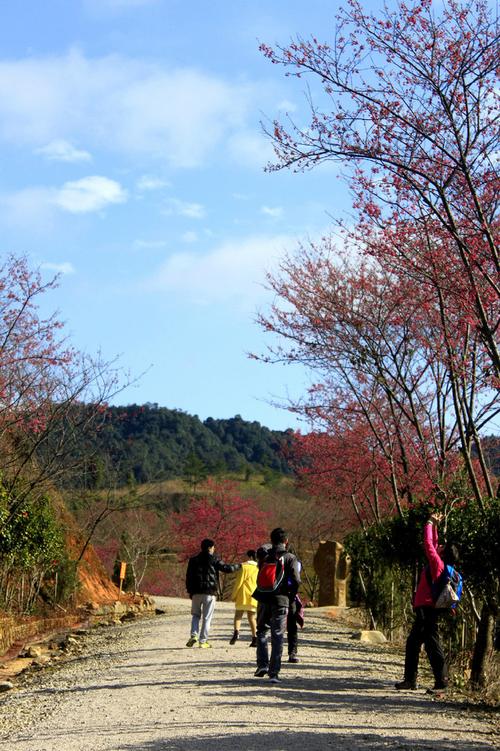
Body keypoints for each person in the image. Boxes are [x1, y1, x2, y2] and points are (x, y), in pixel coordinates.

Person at [395, 511, 459, 692]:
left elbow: (429, 544)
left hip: (427, 609)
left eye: (442, 548)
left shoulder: (437, 564)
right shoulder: (441, 564)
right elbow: (435, 544)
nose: (439, 547)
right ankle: (410, 680)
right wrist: (436, 525)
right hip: (427, 608)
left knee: (432, 643)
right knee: (414, 643)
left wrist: (429, 523)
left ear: (443, 554)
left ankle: (442, 682)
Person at [253, 528, 301, 684]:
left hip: (263, 598)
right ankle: (274, 673)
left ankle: (262, 665)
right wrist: (290, 595)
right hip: (281, 600)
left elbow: (260, 577)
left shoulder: (265, 557)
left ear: (271, 540)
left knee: (261, 631)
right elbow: (295, 580)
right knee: (278, 635)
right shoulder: (290, 558)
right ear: (286, 541)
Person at [185, 538, 241, 648]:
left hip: (196, 592)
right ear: (210, 548)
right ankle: (203, 641)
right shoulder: (214, 559)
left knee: (195, 615)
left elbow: (188, 577)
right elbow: (226, 568)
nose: (214, 549)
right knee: (207, 618)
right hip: (209, 593)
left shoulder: (193, 560)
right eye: (213, 547)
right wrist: (239, 566)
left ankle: (193, 635)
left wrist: (190, 591)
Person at [229, 549, 259, 646]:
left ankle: (236, 632)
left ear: (249, 557)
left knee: (238, 616)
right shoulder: (259, 567)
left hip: (243, 594)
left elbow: (239, 582)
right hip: (254, 595)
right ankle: (255, 638)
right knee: (252, 617)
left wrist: (234, 595)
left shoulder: (244, 566)